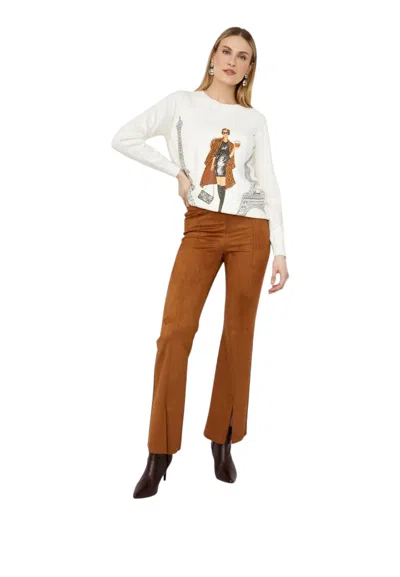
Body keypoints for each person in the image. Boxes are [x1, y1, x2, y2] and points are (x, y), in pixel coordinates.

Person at [111, 26, 290, 499]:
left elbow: (269, 183)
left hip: (252, 231)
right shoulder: (181, 104)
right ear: (212, 57)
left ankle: (223, 439)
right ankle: (160, 453)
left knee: (238, 335)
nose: (232, 61)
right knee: (175, 332)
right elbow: (124, 138)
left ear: (250, 68)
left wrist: (280, 249)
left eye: (243, 56)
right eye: (226, 51)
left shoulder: (255, 121)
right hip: (202, 227)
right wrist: (176, 171)